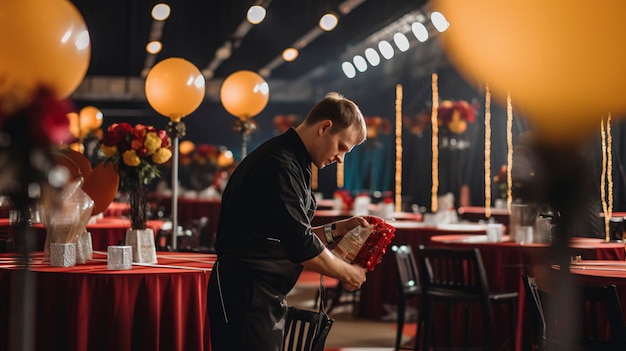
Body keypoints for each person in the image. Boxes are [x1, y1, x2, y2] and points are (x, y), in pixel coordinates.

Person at [207, 92, 370, 350]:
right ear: (325, 127)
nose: (340, 159)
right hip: (247, 292)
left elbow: (286, 233)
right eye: (341, 147)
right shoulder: (279, 163)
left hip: (260, 292)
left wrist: (337, 229)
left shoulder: (292, 160)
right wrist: (348, 273)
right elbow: (299, 243)